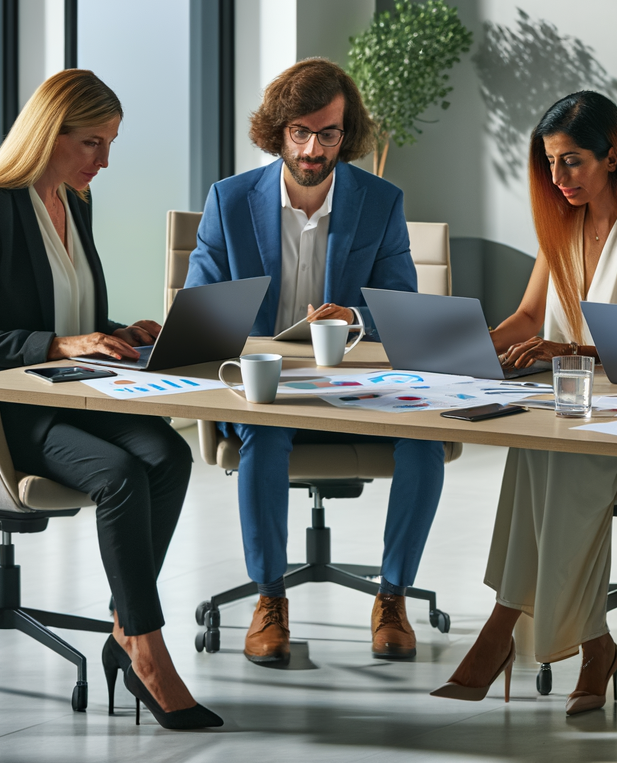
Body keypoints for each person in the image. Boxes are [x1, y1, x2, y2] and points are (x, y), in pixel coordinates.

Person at [0, 70, 219, 729]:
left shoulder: (76, 203)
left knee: (170, 457)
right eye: (92, 143)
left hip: (80, 394)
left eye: (111, 143)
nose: (103, 160)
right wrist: (62, 345)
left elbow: (74, 315)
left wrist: (121, 334)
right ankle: (146, 650)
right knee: (120, 475)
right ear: (49, 134)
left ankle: (127, 628)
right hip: (12, 408)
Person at [432, 90, 617, 716]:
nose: (559, 178)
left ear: (613, 157)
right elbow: (526, 317)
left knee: (560, 451)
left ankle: (505, 632)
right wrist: (465, 349)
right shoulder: (562, 228)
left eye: (572, 160)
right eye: (551, 163)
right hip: (573, 406)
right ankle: (591, 644)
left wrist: (563, 350)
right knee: (534, 441)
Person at [183, 57, 438, 666]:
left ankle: (393, 596)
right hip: (265, 390)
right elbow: (200, 307)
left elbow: (400, 308)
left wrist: (353, 318)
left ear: (345, 134)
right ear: (279, 130)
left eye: (328, 133)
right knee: (266, 437)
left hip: (355, 387)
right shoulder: (230, 200)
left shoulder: (379, 202)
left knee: (425, 443)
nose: (313, 147)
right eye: (300, 131)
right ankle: (269, 599)